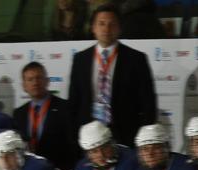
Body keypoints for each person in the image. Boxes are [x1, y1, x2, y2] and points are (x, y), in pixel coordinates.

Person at [66, 4, 157, 148]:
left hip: (126, 135)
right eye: (101, 23)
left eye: (112, 24)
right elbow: (74, 102)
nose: (106, 29)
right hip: (88, 136)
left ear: (119, 28)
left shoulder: (136, 59)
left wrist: (144, 139)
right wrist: (74, 137)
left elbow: (148, 103)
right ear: (93, 28)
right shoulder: (80, 59)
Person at [13, 62, 79, 170]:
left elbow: (73, 144)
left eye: (39, 78)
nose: (35, 82)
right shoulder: (18, 113)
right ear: (24, 86)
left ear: (47, 81)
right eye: (30, 79)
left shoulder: (65, 107)